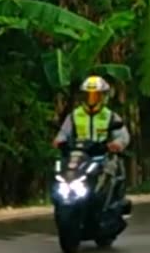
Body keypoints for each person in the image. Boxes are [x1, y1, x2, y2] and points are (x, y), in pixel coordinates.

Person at [53, 75, 131, 206]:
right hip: (80, 156)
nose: (91, 99)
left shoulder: (110, 116)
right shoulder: (74, 115)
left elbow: (123, 135)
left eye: (95, 95)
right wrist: (59, 141)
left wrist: (117, 144)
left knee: (112, 171)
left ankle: (112, 202)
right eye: (88, 95)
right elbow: (63, 133)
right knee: (60, 170)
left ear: (103, 96)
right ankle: (59, 199)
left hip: (102, 155)